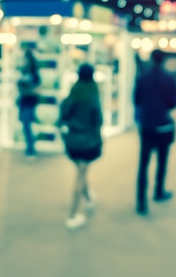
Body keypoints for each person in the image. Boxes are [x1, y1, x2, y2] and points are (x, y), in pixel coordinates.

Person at [134, 49, 176, 215]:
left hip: (146, 124)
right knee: (162, 161)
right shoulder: (168, 78)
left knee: (143, 163)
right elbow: (174, 101)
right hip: (163, 125)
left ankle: (141, 201)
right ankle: (159, 191)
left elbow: (136, 99)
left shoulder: (142, 78)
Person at [58, 63, 103, 230]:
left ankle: (89, 199)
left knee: (81, 172)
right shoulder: (93, 94)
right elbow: (97, 120)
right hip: (88, 141)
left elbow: (62, 115)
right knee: (80, 176)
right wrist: (99, 140)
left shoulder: (73, 92)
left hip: (72, 140)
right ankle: (72, 215)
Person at [17, 49, 41, 159]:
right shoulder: (23, 72)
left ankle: (31, 148)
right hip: (24, 101)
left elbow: (37, 89)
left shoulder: (34, 74)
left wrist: (27, 90)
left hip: (30, 102)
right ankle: (29, 146)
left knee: (28, 124)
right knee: (25, 125)